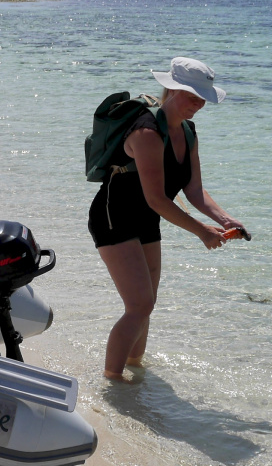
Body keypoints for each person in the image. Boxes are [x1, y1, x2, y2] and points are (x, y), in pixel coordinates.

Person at [87, 57, 246, 382]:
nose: (199, 104)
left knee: (148, 305)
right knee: (139, 305)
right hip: (113, 217)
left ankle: (136, 372)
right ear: (172, 90)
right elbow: (157, 198)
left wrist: (225, 219)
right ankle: (113, 383)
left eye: (204, 98)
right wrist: (202, 231)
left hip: (147, 220)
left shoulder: (188, 132)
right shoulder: (146, 132)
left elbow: (194, 189)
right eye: (193, 96)